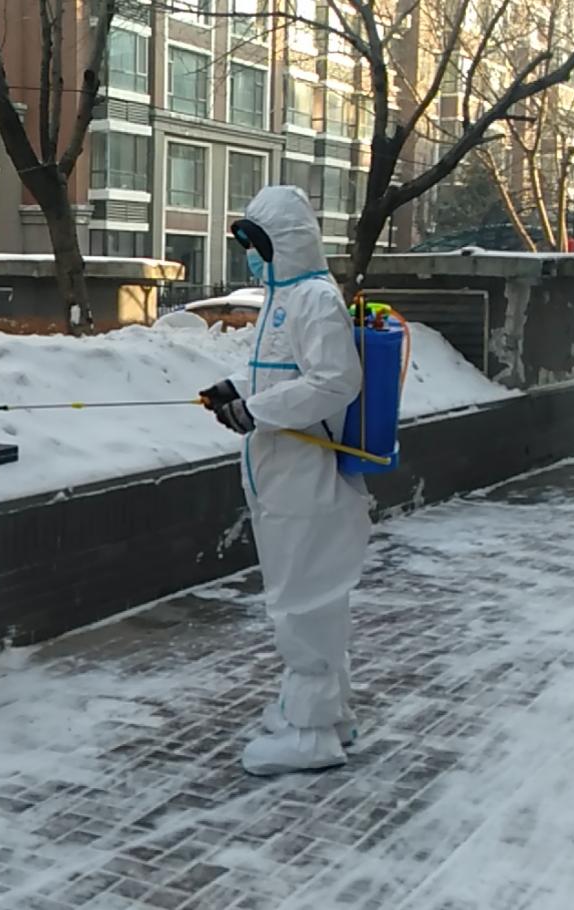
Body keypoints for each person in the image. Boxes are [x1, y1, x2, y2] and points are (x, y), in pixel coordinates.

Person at [199, 185, 372, 776]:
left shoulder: (314, 300)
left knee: (303, 605)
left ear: (286, 242)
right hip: (280, 476)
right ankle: (330, 713)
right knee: (308, 599)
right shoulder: (285, 297)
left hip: (307, 478)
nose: (250, 253)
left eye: (257, 242)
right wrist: (238, 392)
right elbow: (281, 375)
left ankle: (312, 733)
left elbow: (333, 382)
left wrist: (258, 412)